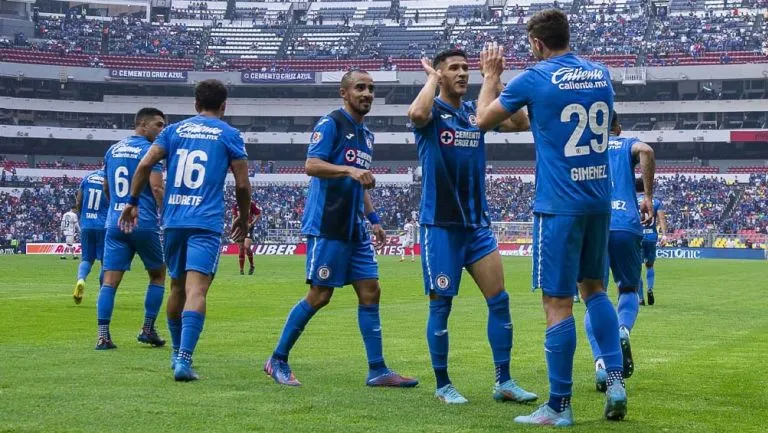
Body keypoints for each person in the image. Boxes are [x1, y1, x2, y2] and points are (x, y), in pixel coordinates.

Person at [476, 9, 642, 425]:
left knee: (556, 303)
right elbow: (561, 121)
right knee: (595, 291)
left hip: (559, 206)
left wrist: (490, 77)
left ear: (536, 43)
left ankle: (559, 406)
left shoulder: (534, 77)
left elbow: (482, 119)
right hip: (599, 201)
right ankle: (616, 380)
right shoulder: (600, 74)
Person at [263, 70, 418, 388]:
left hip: (355, 227)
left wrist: (373, 220)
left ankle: (377, 369)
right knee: (320, 295)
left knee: (370, 291)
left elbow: (360, 184)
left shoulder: (367, 136)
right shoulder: (331, 123)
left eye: (372, 89)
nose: (368, 93)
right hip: (327, 224)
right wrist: (349, 169)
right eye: (360, 87)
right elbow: (311, 165)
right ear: (344, 92)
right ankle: (277, 359)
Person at [407, 48, 535, 405]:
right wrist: (432, 77)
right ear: (440, 75)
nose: (463, 73)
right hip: (441, 227)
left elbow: (520, 121)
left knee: (500, 301)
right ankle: (443, 384)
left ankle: (504, 381)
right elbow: (416, 113)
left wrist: (493, 79)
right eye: (454, 69)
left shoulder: (473, 112)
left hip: (477, 226)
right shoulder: (432, 113)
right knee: (441, 306)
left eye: (466, 68)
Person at [119, 80, 252, 382]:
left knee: (176, 288)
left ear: (195, 104)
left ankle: (176, 353)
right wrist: (244, 220)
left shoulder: (172, 131)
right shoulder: (230, 134)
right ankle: (184, 360)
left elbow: (144, 165)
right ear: (224, 106)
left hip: (174, 220)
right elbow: (242, 185)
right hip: (205, 222)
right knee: (197, 290)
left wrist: (132, 202)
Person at [584, 113, 655, 392]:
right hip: (626, 223)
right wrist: (647, 197)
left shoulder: (586, 148)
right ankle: (623, 329)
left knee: (594, 295)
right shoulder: (626, 144)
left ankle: (601, 363)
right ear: (618, 128)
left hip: (594, 223)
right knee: (627, 289)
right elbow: (647, 151)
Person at [96, 108, 167, 351]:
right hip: (143, 222)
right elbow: (157, 189)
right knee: (158, 275)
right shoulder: (151, 151)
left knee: (109, 282)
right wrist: (166, 214)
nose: (161, 130)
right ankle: (147, 328)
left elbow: (107, 188)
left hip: (115, 222)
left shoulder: (112, 150)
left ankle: (103, 336)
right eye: (158, 125)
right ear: (142, 125)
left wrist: (117, 208)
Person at [72, 168, 109, 304]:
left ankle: (81, 279)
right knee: (106, 262)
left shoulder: (88, 177)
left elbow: (79, 201)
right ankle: (102, 294)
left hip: (87, 224)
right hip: (103, 225)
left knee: (87, 259)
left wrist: (83, 217)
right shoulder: (109, 178)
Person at [638, 186, 665, 306]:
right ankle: (650, 289)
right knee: (650, 265)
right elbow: (662, 219)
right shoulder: (656, 202)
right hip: (651, 237)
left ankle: (640, 298)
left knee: (637, 268)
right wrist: (664, 235)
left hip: (638, 236)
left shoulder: (633, 200)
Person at [232, 200, 261, 275]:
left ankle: (252, 266)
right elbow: (234, 217)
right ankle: (241, 270)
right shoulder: (236, 205)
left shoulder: (251, 203)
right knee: (241, 248)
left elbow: (258, 214)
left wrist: (251, 224)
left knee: (247, 246)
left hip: (248, 227)